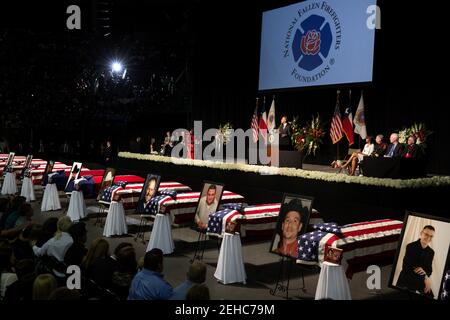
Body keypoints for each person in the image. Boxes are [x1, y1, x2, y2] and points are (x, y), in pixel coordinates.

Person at [396, 225, 435, 297]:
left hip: (420, 278)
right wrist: (421, 271)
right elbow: (405, 267)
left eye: (431, 236)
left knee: (430, 295)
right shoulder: (410, 246)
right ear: (421, 233)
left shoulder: (431, 252)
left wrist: (426, 278)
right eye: (426, 234)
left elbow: (429, 269)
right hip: (407, 276)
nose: (428, 238)